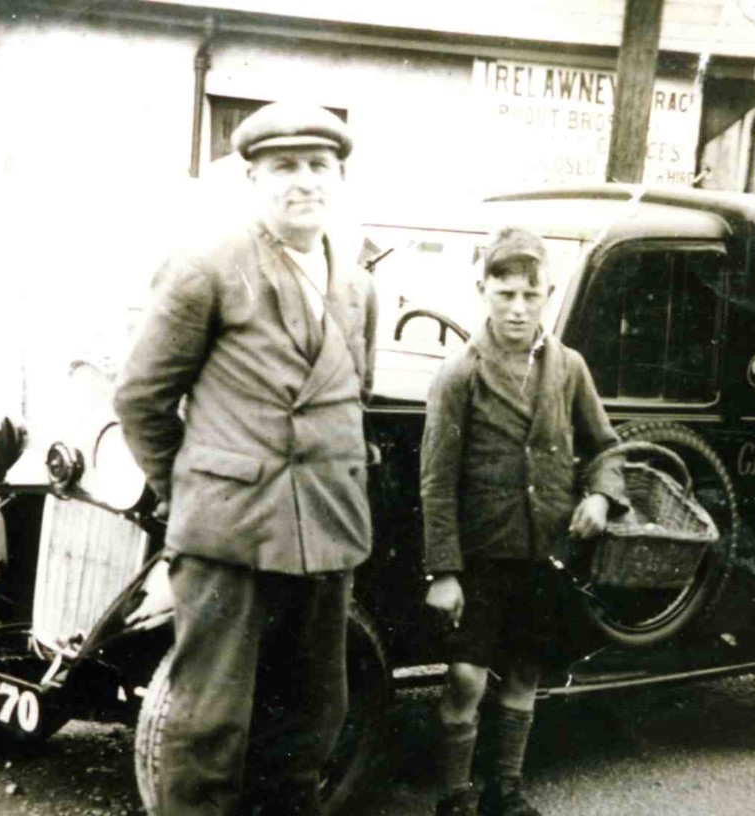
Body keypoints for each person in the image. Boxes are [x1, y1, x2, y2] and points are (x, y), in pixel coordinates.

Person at [114, 101, 378, 816]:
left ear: (340, 179)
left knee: (309, 726)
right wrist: (193, 488)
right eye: (284, 167)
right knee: (209, 731)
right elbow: (141, 397)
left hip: (324, 531)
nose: (304, 183)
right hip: (229, 535)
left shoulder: (355, 285)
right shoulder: (209, 266)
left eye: (319, 166)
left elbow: (350, 400)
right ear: (253, 180)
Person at [420, 227, 628, 816]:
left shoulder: (568, 368)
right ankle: (454, 795)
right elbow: (436, 480)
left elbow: (607, 447)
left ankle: (504, 789)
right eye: (504, 294)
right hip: (479, 558)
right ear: (482, 289)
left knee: (523, 672)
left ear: (548, 296)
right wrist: (444, 571)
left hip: (544, 554)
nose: (517, 308)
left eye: (529, 297)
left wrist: (602, 498)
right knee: (464, 677)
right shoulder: (459, 374)